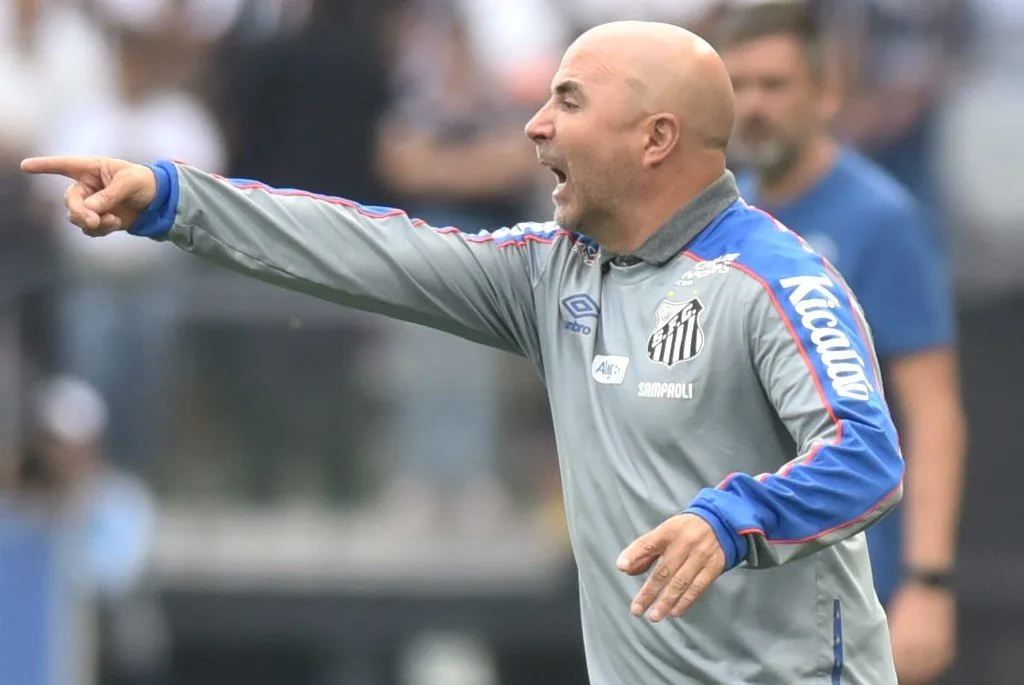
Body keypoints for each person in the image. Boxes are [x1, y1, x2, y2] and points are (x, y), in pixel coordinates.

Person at [23, 20, 906, 684]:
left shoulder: (776, 280)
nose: (535, 126)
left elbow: (866, 457)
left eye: (569, 101)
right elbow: (366, 248)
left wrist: (729, 519)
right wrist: (174, 201)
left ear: (656, 138)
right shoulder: (553, 273)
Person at [715, 4, 967, 684]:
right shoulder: (725, 217)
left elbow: (933, 411)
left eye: (774, 85)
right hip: (739, 584)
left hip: (846, 585)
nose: (753, 106)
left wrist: (928, 582)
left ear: (826, 93)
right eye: (738, 86)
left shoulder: (881, 220)